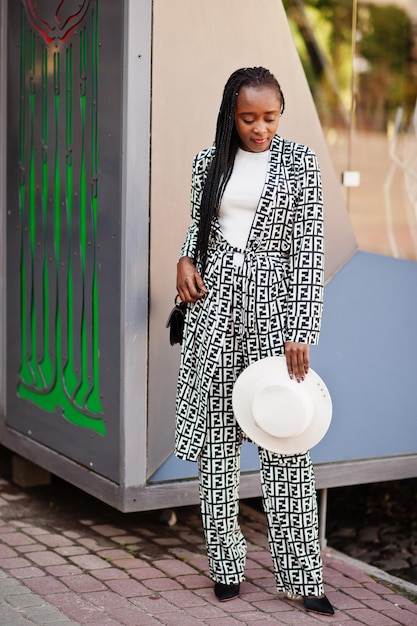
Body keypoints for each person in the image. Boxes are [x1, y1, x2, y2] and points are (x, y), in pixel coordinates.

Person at [174, 66, 334, 616]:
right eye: (248, 118)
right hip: (213, 312)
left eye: (270, 117)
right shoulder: (208, 162)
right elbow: (197, 229)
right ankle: (226, 564)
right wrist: (184, 259)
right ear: (231, 114)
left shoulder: (300, 163)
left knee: (285, 442)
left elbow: (309, 250)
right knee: (218, 445)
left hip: (274, 313)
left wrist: (301, 328)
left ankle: (302, 574)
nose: (260, 128)